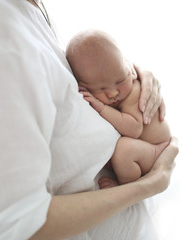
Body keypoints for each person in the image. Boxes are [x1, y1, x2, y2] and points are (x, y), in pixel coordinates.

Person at [0, 0, 178, 239]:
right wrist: (150, 184)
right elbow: (16, 225)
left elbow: (67, 103)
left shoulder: (32, 11)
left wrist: (132, 79)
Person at [66, 29, 171, 188]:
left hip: (157, 150)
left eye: (120, 80)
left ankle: (125, 185)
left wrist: (102, 107)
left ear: (132, 71)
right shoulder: (117, 79)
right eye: (100, 89)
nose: (113, 93)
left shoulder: (134, 93)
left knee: (124, 150)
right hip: (144, 150)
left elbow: (134, 128)